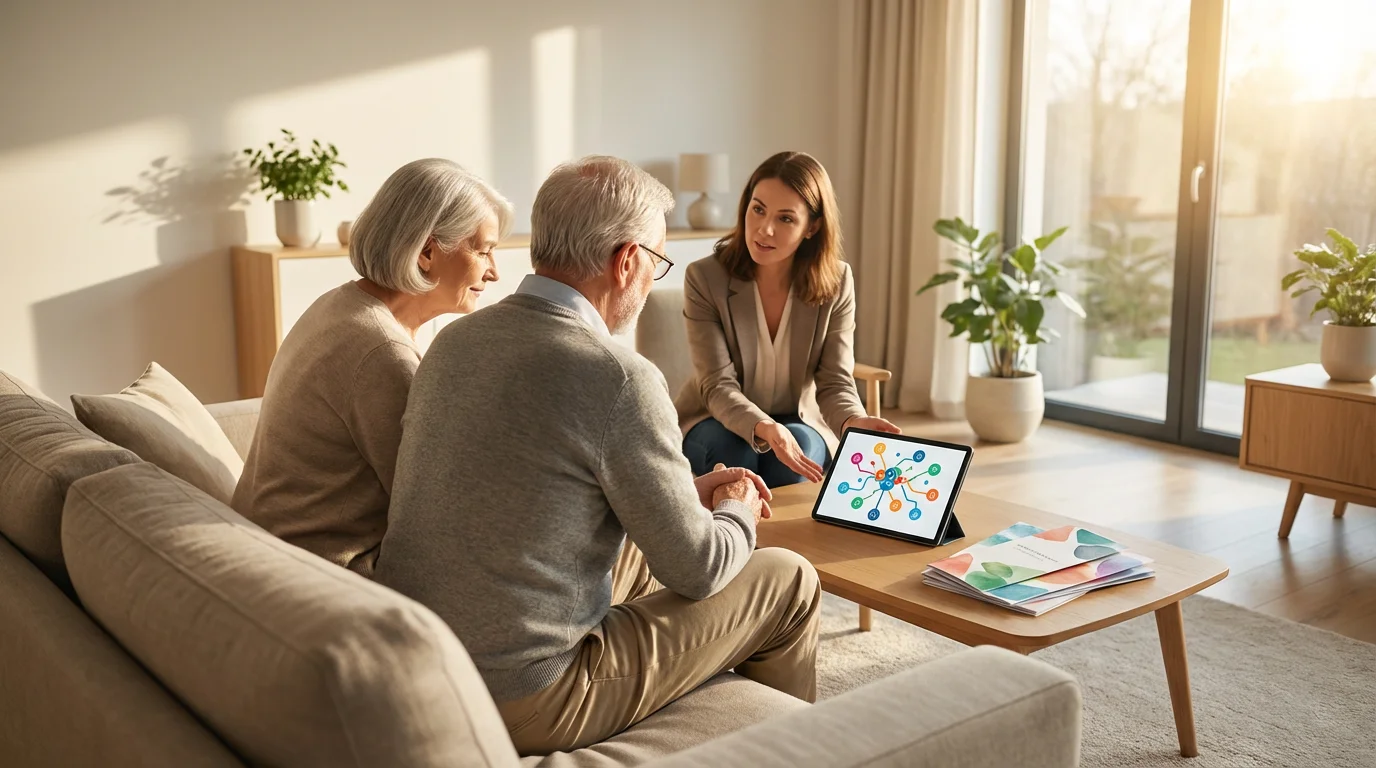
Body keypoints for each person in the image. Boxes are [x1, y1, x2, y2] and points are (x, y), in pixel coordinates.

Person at [375, 156, 822, 756]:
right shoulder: (618, 377)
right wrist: (738, 505)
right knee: (789, 577)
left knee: (655, 541)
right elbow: (700, 568)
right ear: (627, 260)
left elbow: (530, 486)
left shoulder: (453, 342)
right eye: (657, 262)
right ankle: (803, 752)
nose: (652, 279)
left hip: (430, 667)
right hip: (532, 695)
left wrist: (682, 491)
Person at [232, 158, 512, 576]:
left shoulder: (340, 304)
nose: (494, 272)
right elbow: (444, 512)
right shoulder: (382, 352)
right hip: (341, 576)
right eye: (484, 250)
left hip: (288, 555)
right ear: (427, 252)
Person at [676, 151, 900, 488]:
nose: (764, 229)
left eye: (785, 219)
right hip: (716, 418)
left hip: (799, 417)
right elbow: (717, 385)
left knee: (798, 457)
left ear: (813, 227)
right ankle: (731, 540)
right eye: (758, 209)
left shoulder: (837, 282)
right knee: (735, 454)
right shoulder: (706, 277)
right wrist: (764, 426)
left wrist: (853, 421)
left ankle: (782, 542)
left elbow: (835, 381)